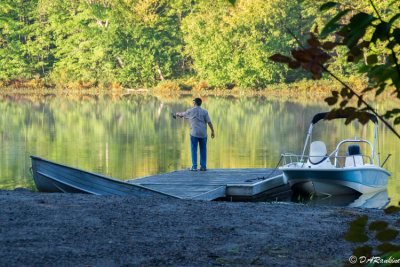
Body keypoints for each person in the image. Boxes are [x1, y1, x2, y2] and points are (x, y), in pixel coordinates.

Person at [176, 98, 215, 171]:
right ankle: (203, 167)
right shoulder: (205, 112)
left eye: (193, 102)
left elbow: (182, 114)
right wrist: (212, 131)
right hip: (203, 133)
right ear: (200, 103)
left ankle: (194, 167)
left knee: (194, 149)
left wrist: (177, 114)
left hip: (194, 133)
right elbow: (209, 122)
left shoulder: (190, 111)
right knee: (203, 150)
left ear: (194, 103)